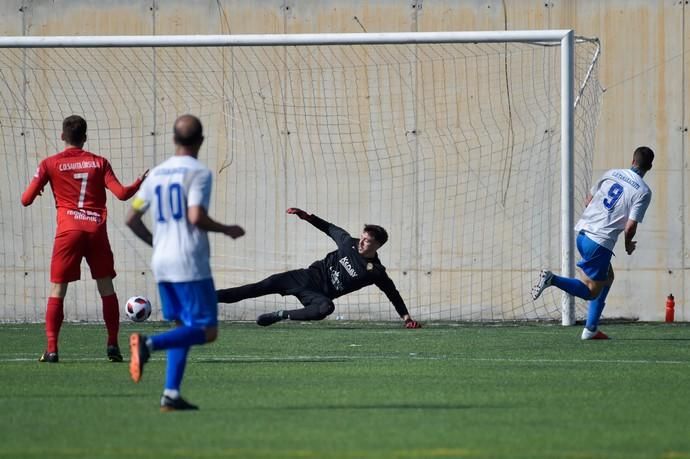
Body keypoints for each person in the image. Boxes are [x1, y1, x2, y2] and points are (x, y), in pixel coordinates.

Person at [126, 114, 244, 411]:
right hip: (189, 262)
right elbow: (195, 216)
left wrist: (158, 244)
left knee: (182, 326)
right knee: (207, 330)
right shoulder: (198, 173)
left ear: (174, 139)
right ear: (201, 141)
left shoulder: (156, 175)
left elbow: (131, 218)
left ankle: (170, 394)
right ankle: (148, 345)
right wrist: (227, 229)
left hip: (162, 262)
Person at [21, 115, 147, 363]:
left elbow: (25, 200)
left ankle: (52, 349)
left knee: (58, 290)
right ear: (85, 138)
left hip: (68, 232)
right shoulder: (99, 162)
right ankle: (112, 345)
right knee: (106, 288)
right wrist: (140, 182)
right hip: (95, 231)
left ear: (62, 136)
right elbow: (122, 194)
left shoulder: (49, 164)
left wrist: (42, 188)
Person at [217, 208, 421, 328]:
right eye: (363, 237)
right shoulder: (348, 242)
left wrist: (406, 317)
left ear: (377, 245)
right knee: (258, 287)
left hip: (318, 295)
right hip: (304, 278)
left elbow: (392, 293)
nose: (361, 242)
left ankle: (280, 315)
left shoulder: (375, 271)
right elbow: (329, 228)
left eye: (367, 241)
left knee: (326, 308)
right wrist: (307, 216)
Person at [531, 146, 655, 340]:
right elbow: (630, 227)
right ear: (650, 167)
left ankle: (591, 329)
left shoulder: (612, 173)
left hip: (582, 234)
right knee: (590, 292)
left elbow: (588, 201)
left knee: (608, 276)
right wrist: (628, 244)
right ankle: (552, 279)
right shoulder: (643, 191)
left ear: (632, 160)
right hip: (599, 243)